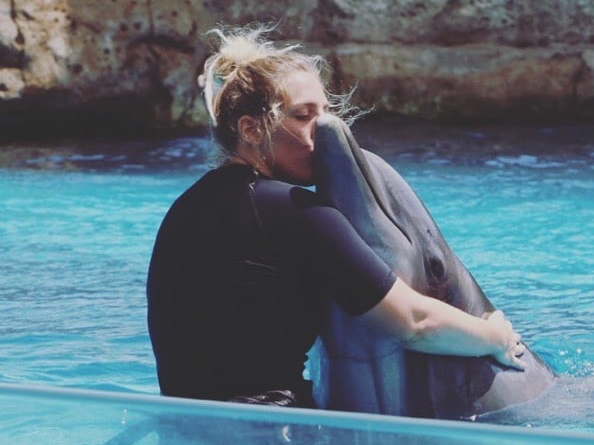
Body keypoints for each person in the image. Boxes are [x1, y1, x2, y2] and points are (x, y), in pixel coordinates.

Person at [147, 27, 526, 407]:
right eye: (303, 116)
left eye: (326, 112)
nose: (327, 130)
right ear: (250, 129)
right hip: (278, 443)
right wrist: (493, 337)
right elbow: (414, 323)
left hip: (190, 433)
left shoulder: (184, 209)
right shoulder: (298, 212)